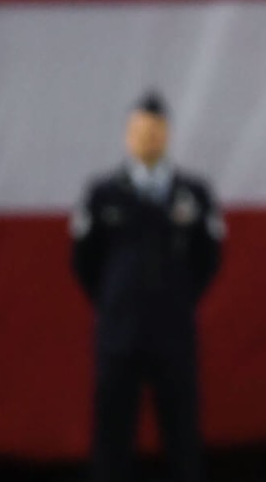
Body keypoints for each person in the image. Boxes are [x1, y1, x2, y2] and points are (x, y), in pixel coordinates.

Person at [71, 92, 224, 482]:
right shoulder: (103, 194)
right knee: (112, 438)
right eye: (140, 131)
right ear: (127, 135)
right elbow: (85, 262)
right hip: (120, 334)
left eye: (156, 131)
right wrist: (114, 301)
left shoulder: (193, 194)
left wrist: (176, 300)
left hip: (173, 333)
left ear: (168, 135)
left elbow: (207, 260)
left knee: (182, 439)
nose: (148, 139)